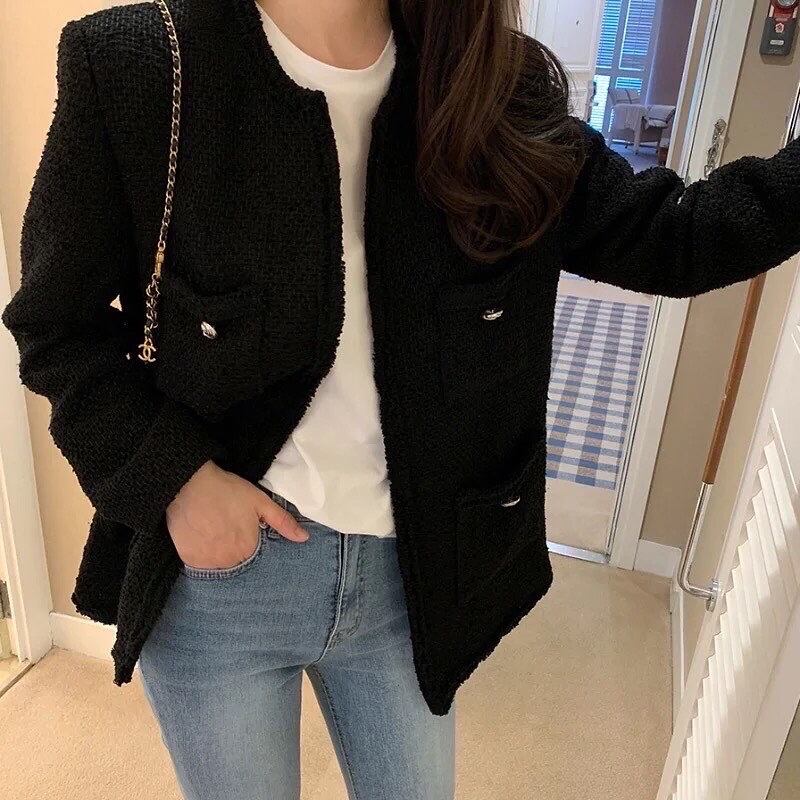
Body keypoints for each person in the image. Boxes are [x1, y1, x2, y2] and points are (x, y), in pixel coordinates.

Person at [3, 0, 800, 798]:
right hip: (221, 586)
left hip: (410, 580)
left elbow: (674, 236)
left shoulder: (494, 87)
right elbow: (55, 327)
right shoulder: (140, 65)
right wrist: (179, 483)